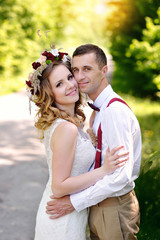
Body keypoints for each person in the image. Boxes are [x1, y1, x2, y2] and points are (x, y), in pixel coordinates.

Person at [26, 44, 129, 240]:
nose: (70, 85)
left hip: (69, 214)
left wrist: (90, 137)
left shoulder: (71, 124)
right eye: (59, 84)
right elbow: (59, 186)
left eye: (69, 77)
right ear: (50, 94)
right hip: (62, 221)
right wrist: (104, 170)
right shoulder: (67, 128)